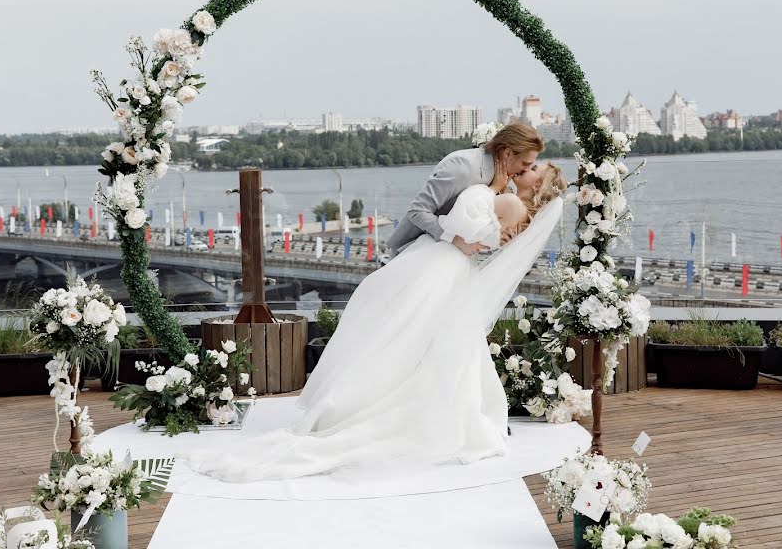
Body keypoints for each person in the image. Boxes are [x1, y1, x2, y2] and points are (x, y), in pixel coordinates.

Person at [186, 161, 567, 484]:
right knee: (408, 338)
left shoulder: (511, 201)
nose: (527, 169)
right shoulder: (512, 204)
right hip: (448, 270)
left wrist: (486, 193)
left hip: (444, 268)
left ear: (541, 188)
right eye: (530, 164)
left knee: (399, 334)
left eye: (535, 170)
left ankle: (365, 402)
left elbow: (467, 226)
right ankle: (382, 401)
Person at [385, 123, 544, 258]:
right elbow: (417, 210)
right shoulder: (463, 167)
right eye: (525, 163)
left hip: (448, 258)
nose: (526, 169)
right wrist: (455, 240)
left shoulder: (503, 181)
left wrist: (502, 236)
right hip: (412, 253)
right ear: (507, 153)